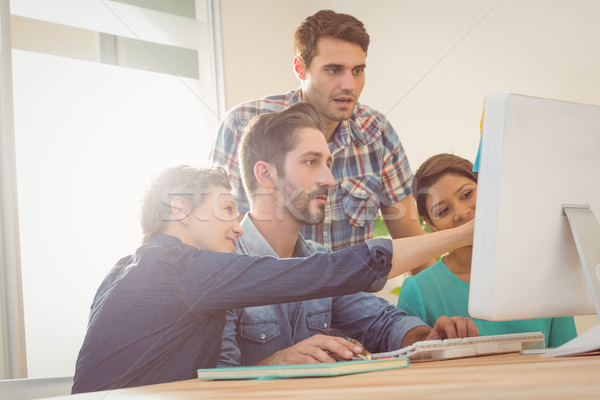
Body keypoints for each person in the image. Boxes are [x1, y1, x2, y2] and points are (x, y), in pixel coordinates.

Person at [72, 162, 473, 393]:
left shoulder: (127, 271)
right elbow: (331, 271)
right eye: (227, 209)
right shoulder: (183, 270)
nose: (237, 226)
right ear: (180, 209)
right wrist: (466, 234)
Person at [218, 102, 478, 367]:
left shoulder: (321, 260)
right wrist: (272, 364)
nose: (329, 180)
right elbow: (209, 379)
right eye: (311, 162)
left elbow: (383, 323)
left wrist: (426, 337)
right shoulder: (222, 269)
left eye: (327, 163)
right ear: (266, 174)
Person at [210, 9, 430, 275]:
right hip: (266, 300)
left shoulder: (377, 132)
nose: (349, 84)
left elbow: (411, 239)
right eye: (334, 70)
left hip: (350, 305)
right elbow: (215, 236)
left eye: (357, 70)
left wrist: (442, 307)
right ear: (300, 68)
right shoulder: (243, 124)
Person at [397, 153, 577, 348]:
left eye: (466, 195)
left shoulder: (545, 274)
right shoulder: (419, 292)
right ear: (432, 225)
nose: (461, 213)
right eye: (443, 211)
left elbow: (571, 359)